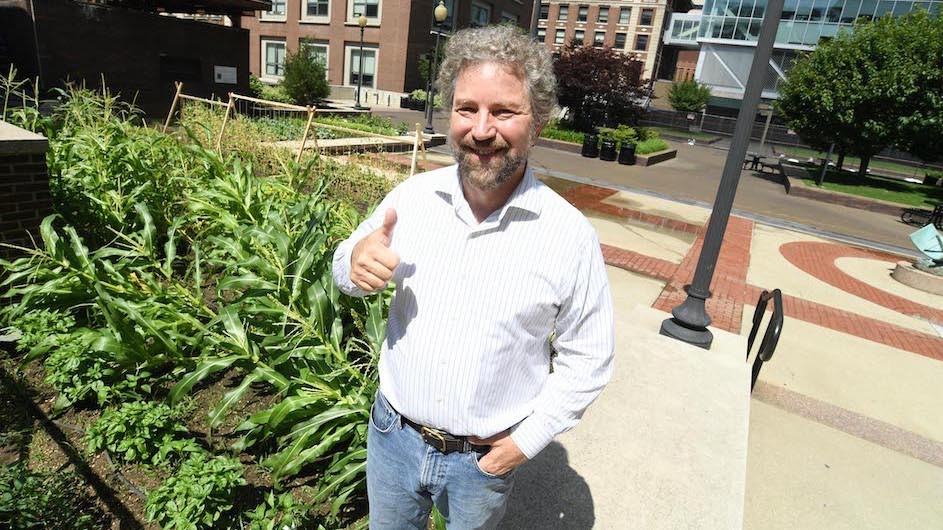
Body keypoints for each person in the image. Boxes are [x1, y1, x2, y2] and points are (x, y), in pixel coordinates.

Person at [332, 25, 614, 529]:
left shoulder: (568, 235)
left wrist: (521, 446)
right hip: (392, 436)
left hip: (481, 465)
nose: (482, 130)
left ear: (539, 122)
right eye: (467, 109)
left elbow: (589, 358)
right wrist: (353, 264)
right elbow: (346, 262)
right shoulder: (412, 199)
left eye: (504, 111)